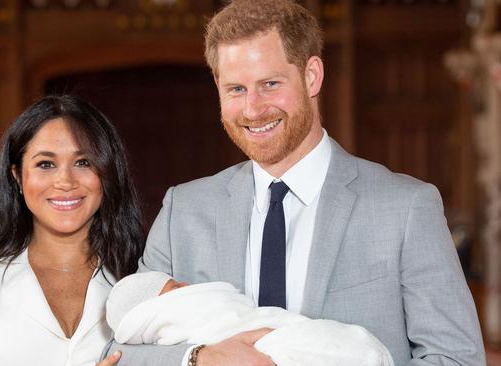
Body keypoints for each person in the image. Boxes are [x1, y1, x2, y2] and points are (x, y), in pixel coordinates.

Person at [106, 0, 485, 365]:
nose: (253, 109)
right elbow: (121, 352)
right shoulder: (183, 212)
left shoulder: (405, 208)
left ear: (311, 75)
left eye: (270, 84)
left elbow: (456, 358)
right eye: (236, 89)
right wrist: (199, 359)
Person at [0, 94, 144, 366]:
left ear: (107, 173)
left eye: (83, 162)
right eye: (46, 164)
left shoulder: (142, 281)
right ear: (18, 176)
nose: (65, 181)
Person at [106, 271, 394, 366]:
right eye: (176, 287)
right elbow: (121, 355)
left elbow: (438, 350)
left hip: (279, 333)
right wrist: (199, 358)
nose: (185, 286)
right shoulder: (178, 208)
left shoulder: (409, 202)